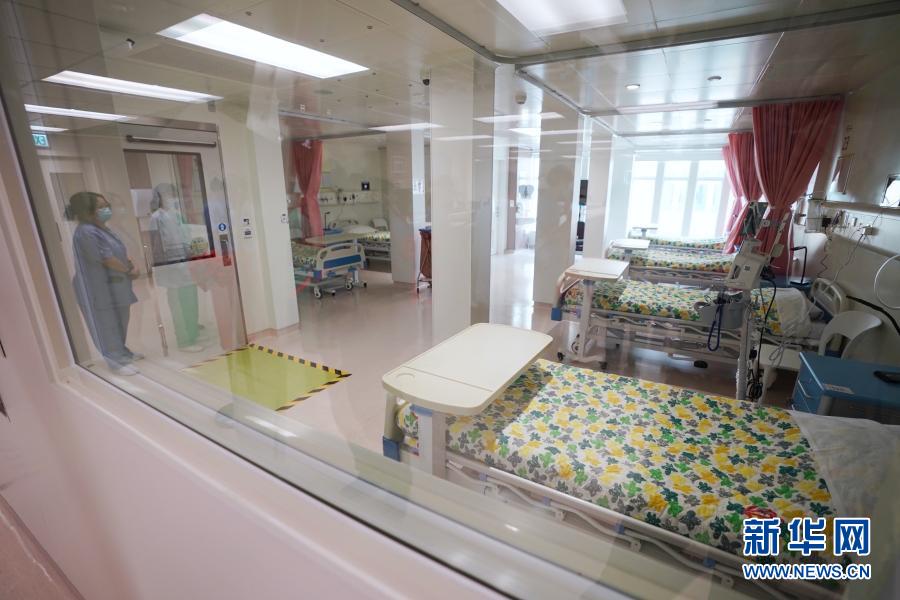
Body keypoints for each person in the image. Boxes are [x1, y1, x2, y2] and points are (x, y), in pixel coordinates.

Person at [68, 191, 142, 375]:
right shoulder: (86, 232)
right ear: (87, 211)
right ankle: (116, 362)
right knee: (106, 325)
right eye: (100, 207)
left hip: (115, 284)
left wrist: (130, 265)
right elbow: (106, 258)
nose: (106, 209)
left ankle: (122, 352)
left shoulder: (102, 228)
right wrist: (128, 271)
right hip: (97, 288)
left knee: (120, 321)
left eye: (106, 205)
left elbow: (118, 252)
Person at [149, 183, 203, 352]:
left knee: (190, 300)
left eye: (173, 194)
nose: (171, 198)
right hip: (171, 267)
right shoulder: (156, 218)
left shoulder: (177, 214)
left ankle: (193, 332)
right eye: (167, 195)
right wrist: (165, 267)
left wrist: (193, 252)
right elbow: (157, 246)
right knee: (178, 305)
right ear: (159, 198)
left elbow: (185, 237)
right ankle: (184, 341)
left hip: (185, 264)